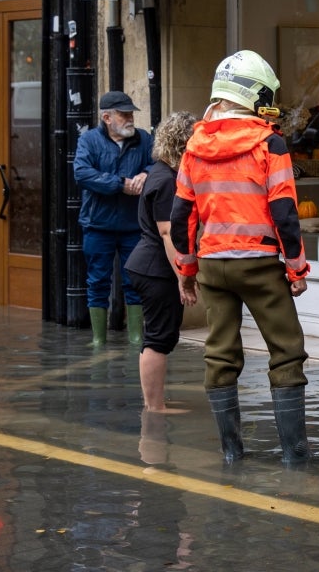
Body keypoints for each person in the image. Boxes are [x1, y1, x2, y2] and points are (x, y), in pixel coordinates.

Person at [170, 50, 312, 465]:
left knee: (220, 354)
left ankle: (232, 453)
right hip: (261, 265)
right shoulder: (271, 142)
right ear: (253, 95)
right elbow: (284, 212)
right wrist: (297, 267)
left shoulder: (194, 146)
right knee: (286, 351)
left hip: (214, 265)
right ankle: (295, 455)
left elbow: (182, 217)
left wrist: (187, 270)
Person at [126, 110, 198, 413]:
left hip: (147, 264)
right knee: (158, 338)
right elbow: (168, 233)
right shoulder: (167, 181)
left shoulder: (160, 173)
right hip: (156, 269)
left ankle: (154, 401)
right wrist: (183, 277)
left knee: (158, 336)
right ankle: (155, 407)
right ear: (183, 144)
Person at [73, 91, 154, 347]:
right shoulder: (89, 140)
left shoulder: (144, 140)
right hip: (98, 224)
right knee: (97, 280)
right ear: (107, 117)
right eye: (124, 114)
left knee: (135, 280)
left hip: (133, 224)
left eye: (131, 113)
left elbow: (162, 163)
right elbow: (82, 173)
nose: (130, 118)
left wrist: (146, 174)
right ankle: (98, 339)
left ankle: (136, 336)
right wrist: (119, 184)